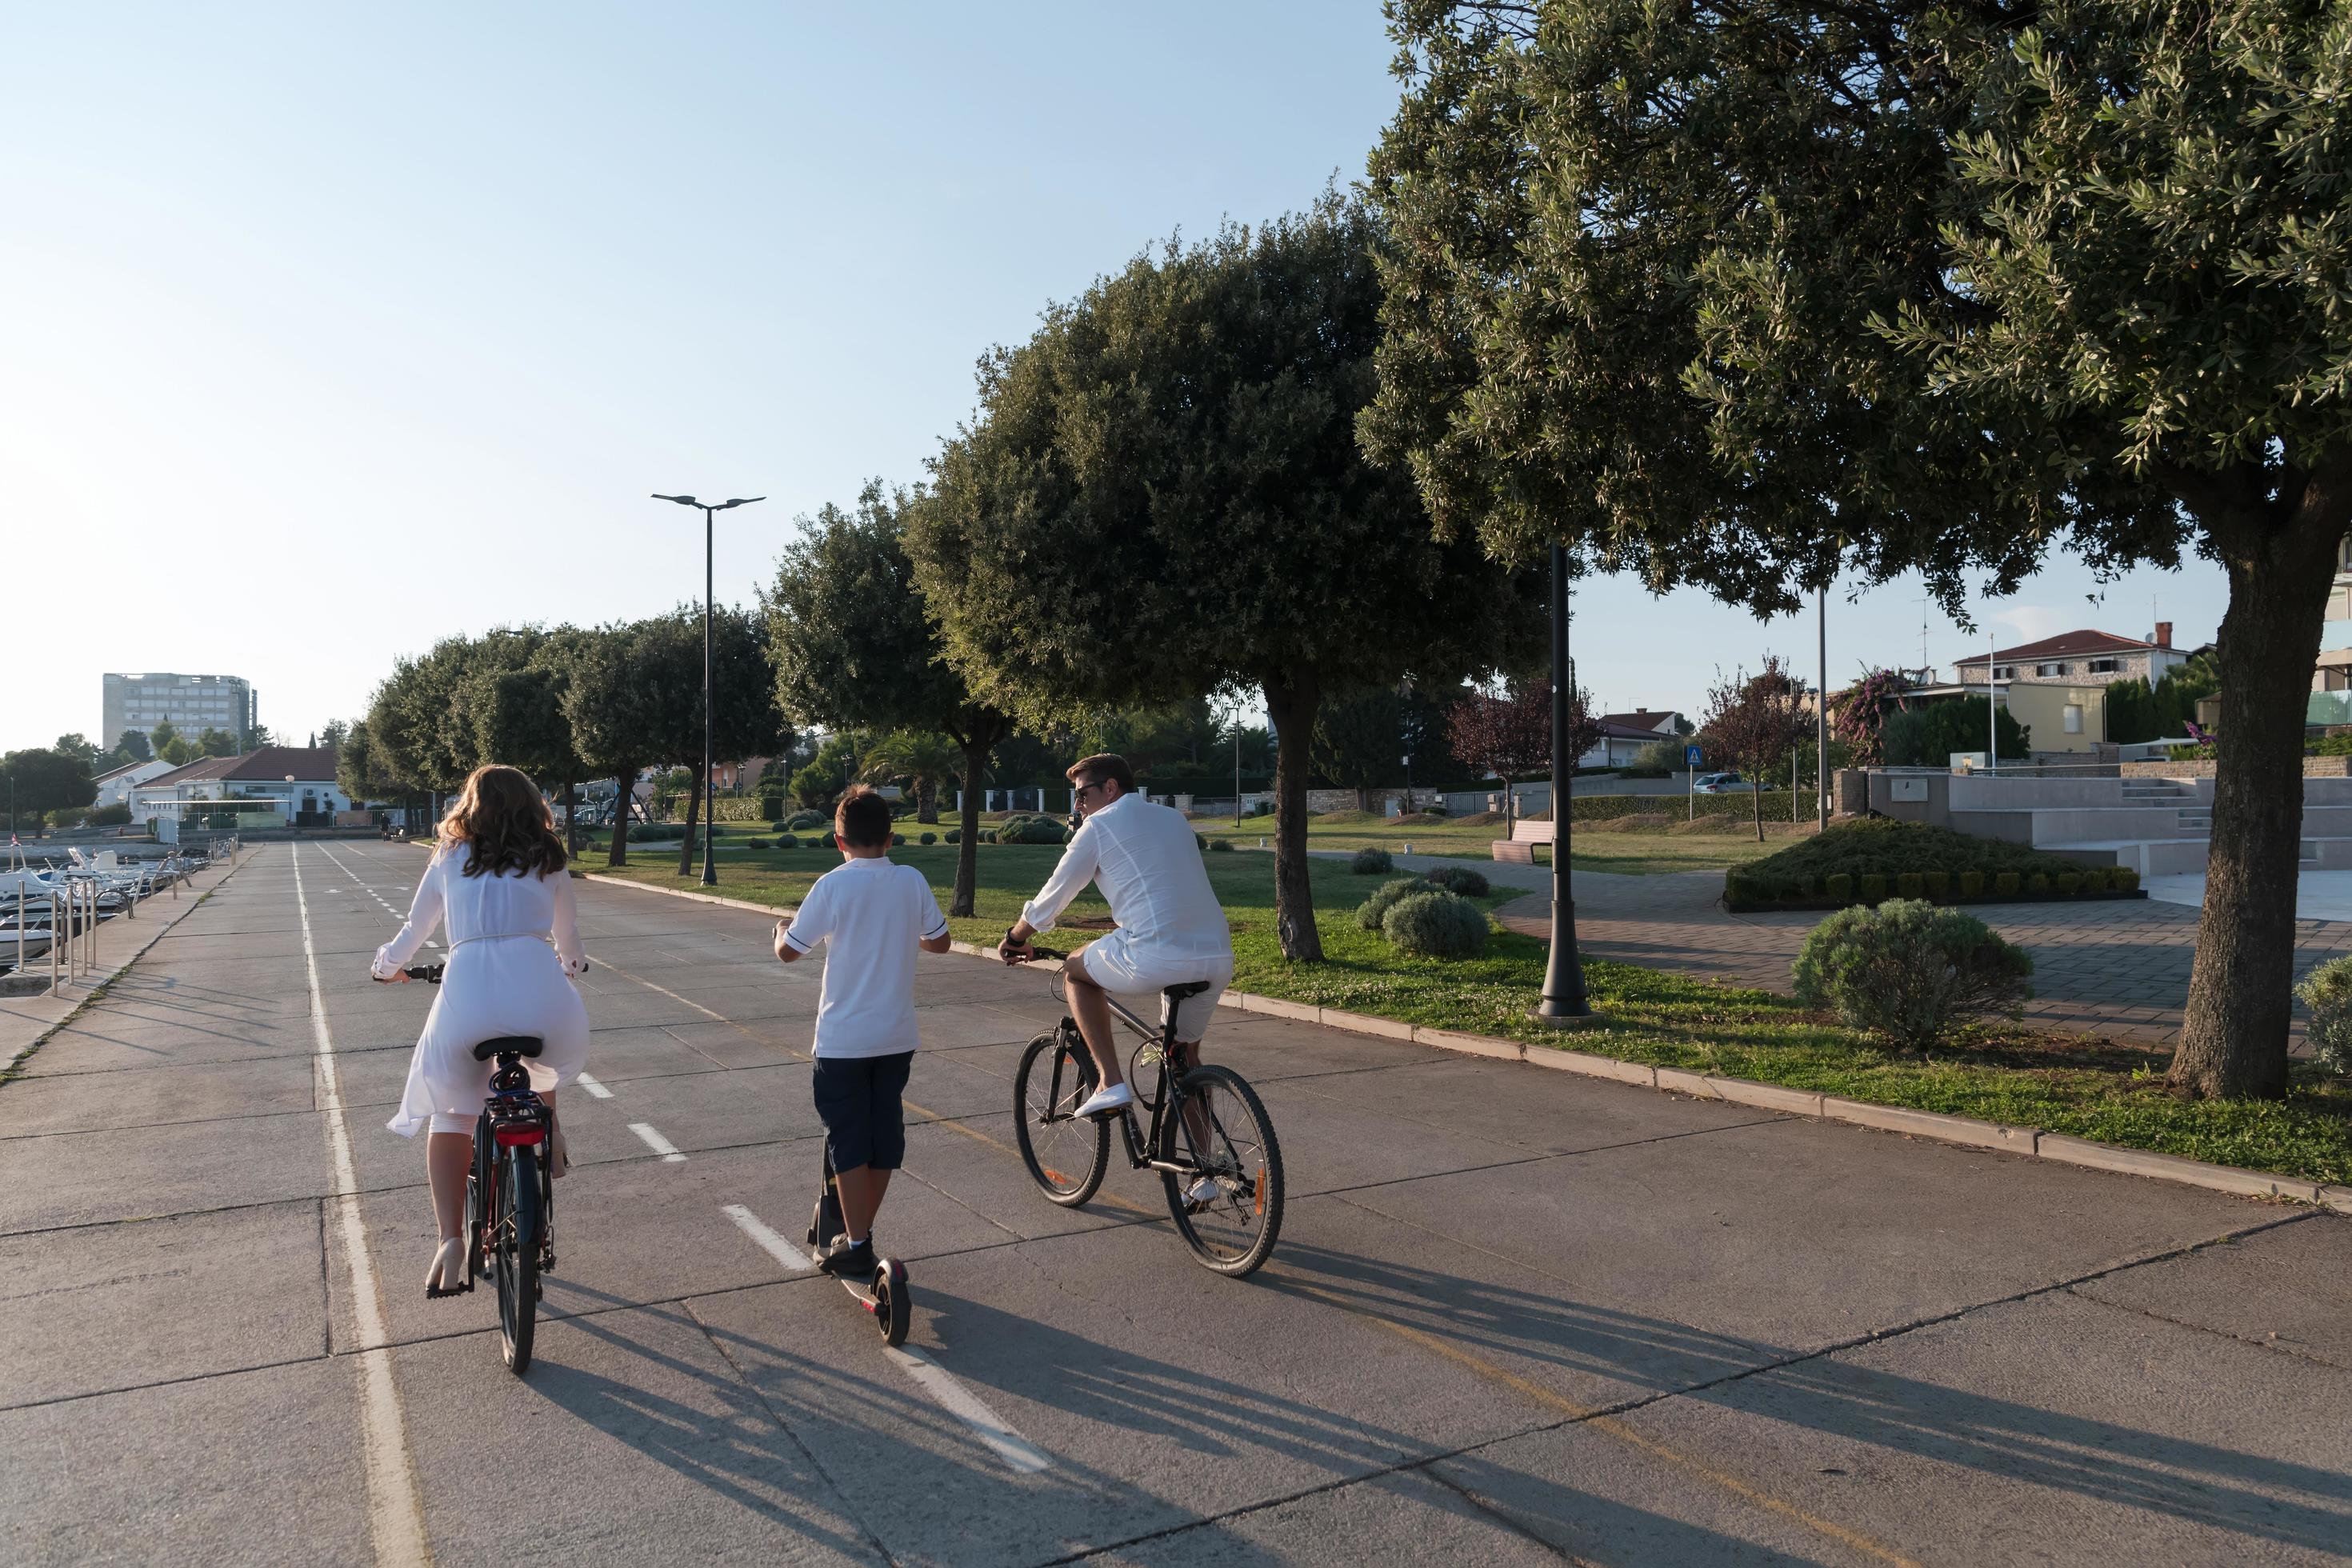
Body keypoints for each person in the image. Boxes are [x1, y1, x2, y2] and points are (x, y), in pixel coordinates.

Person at [372, 764, 591, 1299]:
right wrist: (571, 964)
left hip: (467, 998)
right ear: (532, 804)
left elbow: (413, 932)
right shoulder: (549, 857)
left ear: (469, 806)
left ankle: (451, 1241)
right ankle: (552, 1133)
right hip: (542, 997)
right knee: (541, 1060)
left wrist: (386, 966)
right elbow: (571, 944)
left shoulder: (450, 856)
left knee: (451, 1113)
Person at [997, 754, 1234, 1202]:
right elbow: (1160, 884)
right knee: (1184, 1061)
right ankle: (1203, 1173)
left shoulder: (1099, 826)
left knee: (1076, 973)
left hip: (1160, 954)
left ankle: (1110, 1082)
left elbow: (1054, 895)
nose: (1078, 805)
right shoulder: (1173, 819)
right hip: (1216, 954)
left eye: (1083, 794)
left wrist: (1016, 936)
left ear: (1110, 789)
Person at [773, 786, 952, 1278]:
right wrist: (904, 929)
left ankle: (855, 1241)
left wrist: (778, 931)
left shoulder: (832, 885)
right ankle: (860, 1234)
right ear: (891, 839)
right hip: (896, 1036)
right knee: (884, 1136)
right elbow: (940, 942)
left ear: (839, 841)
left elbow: (790, 951)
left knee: (847, 1139)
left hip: (843, 1039)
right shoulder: (911, 880)